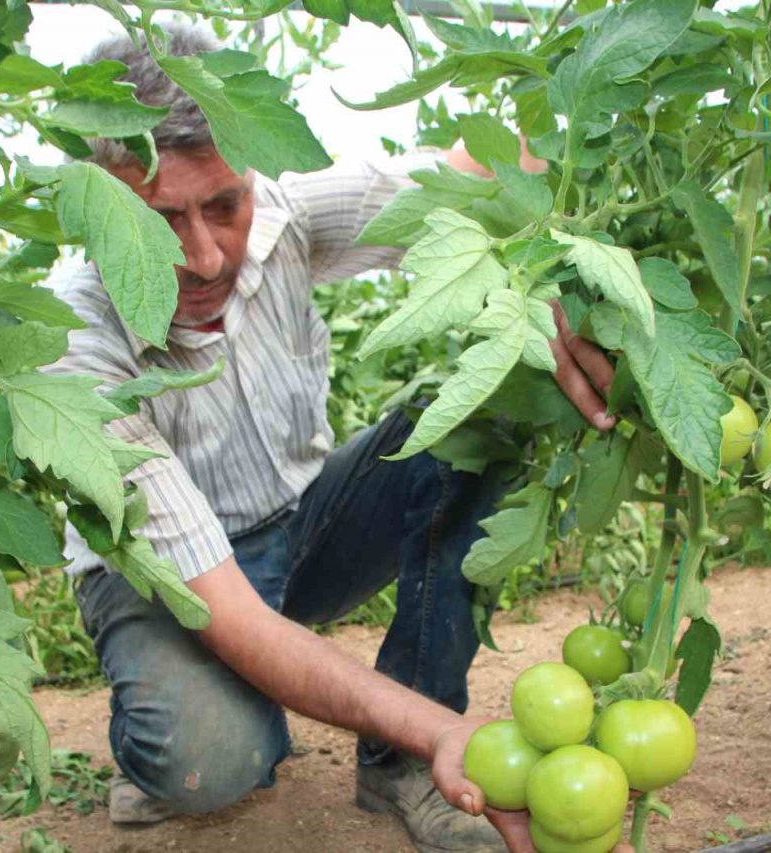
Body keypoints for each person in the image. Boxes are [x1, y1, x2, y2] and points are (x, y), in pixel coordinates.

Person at [49, 22, 628, 853]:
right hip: (163, 584)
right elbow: (232, 613)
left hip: (305, 527)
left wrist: (565, 258)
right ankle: (161, 738)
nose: (207, 257)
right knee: (207, 760)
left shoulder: (289, 213)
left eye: (224, 205)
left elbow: (475, 180)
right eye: (157, 222)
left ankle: (397, 764)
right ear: (94, 203)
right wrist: (446, 731)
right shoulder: (80, 341)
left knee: (486, 403)